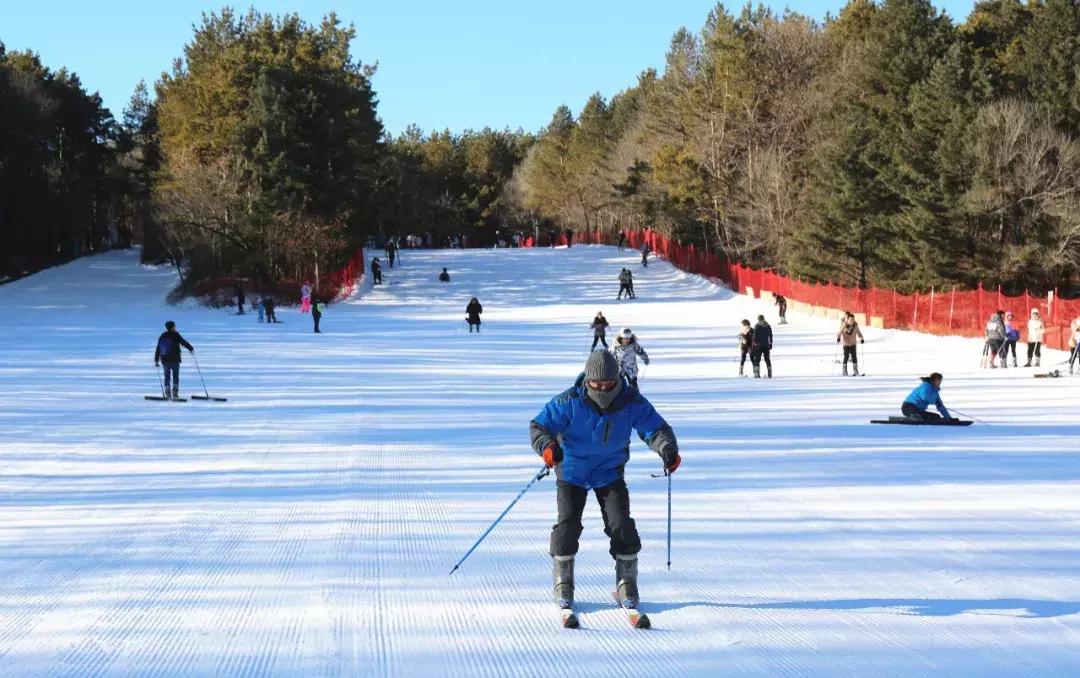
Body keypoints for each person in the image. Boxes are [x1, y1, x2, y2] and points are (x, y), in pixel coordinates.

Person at [529, 350, 680, 613]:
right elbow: (540, 426)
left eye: (608, 384)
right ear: (587, 380)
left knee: (621, 524)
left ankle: (627, 581)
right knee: (568, 525)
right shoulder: (569, 401)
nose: (602, 389)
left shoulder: (630, 401)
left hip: (609, 473)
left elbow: (655, 428)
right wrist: (548, 447)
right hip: (572, 473)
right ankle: (563, 581)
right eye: (596, 384)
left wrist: (667, 449)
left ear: (617, 380)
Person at [154, 320, 194, 400]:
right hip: (175, 359)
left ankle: (167, 393)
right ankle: (175, 393)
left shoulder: (163, 336)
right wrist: (190, 348)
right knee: (175, 376)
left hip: (165, 360)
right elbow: (183, 342)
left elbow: (158, 348)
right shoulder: (175, 335)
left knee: (167, 376)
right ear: (172, 327)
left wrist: (156, 360)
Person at [836, 311, 865, 376]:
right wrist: (838, 337)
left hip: (853, 344)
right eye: (851, 319)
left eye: (853, 319)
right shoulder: (844, 325)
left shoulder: (855, 326)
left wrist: (861, 339)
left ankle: (855, 371)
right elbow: (839, 332)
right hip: (846, 344)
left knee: (854, 357)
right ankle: (844, 370)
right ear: (848, 319)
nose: (852, 321)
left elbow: (859, 333)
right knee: (846, 357)